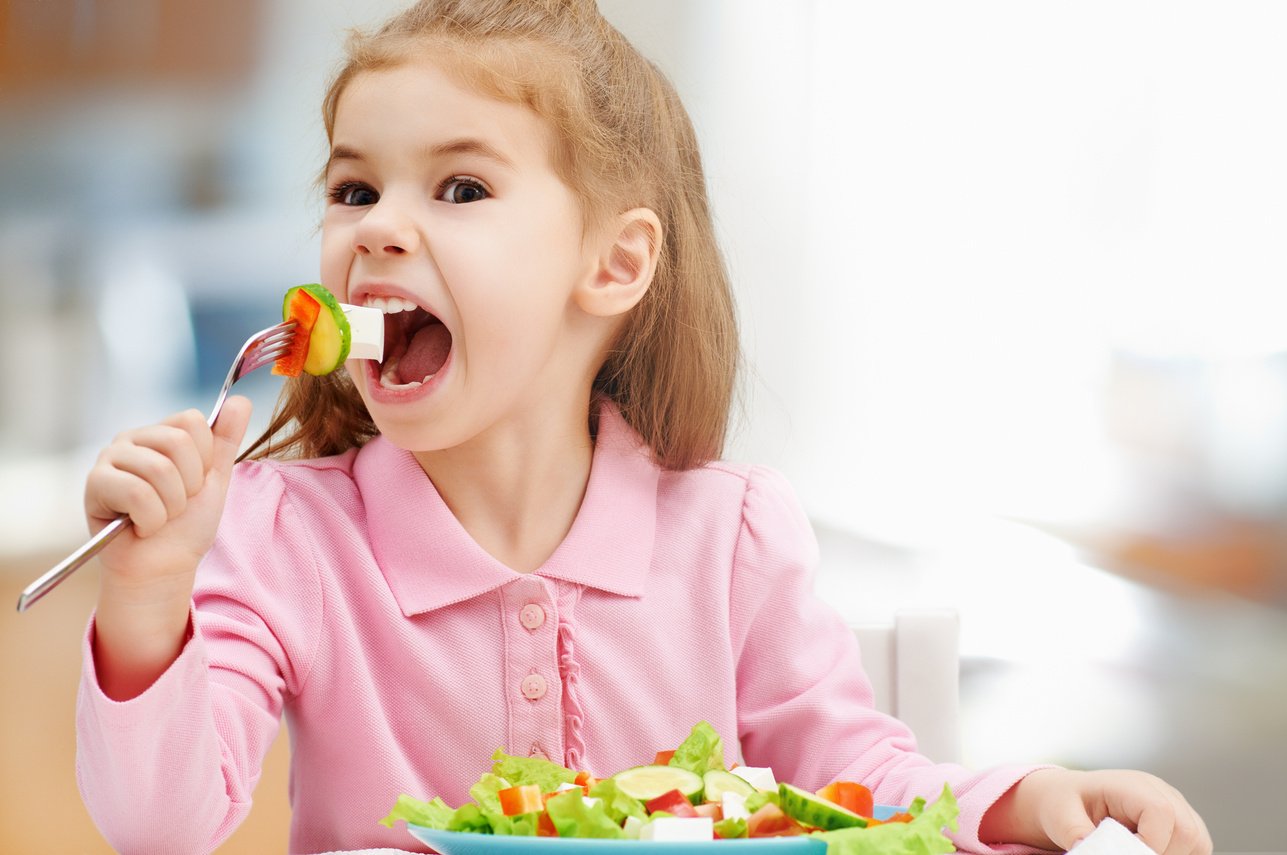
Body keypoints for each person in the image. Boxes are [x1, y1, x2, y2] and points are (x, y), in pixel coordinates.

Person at [75, 1, 1212, 853]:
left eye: (460, 190)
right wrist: (146, 599)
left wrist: (1026, 802)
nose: (377, 231)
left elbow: (854, 773)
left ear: (613, 263)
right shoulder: (284, 539)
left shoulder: (730, 535)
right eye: (354, 191)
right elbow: (160, 828)